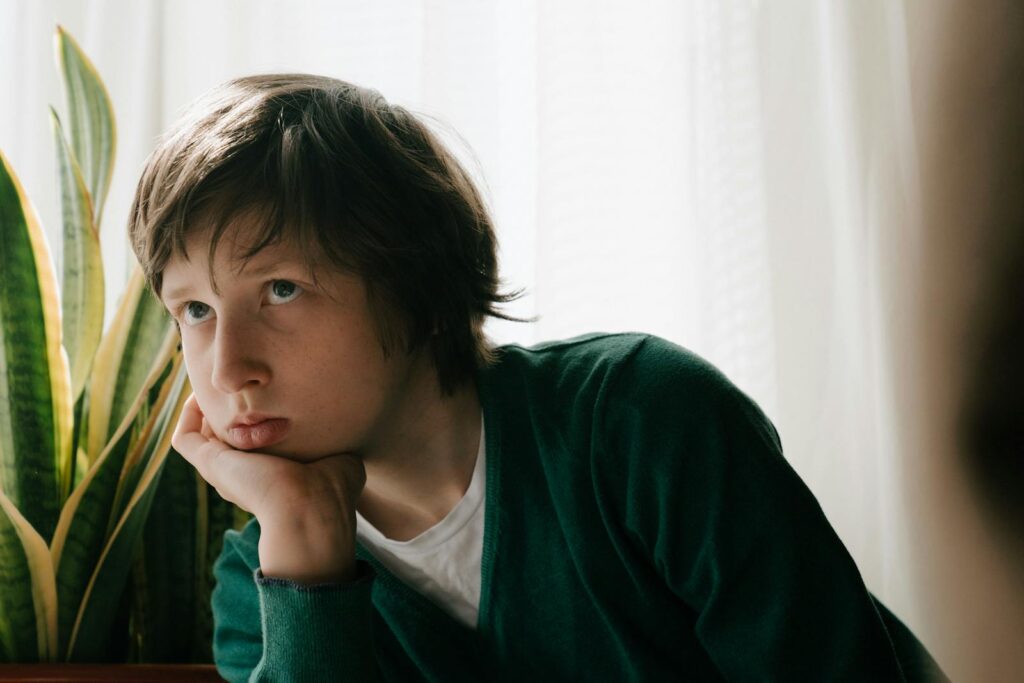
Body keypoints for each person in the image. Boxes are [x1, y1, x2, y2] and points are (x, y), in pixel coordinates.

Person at [127, 74, 945, 681]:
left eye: (280, 289)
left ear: (421, 291)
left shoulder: (641, 422)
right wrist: (306, 554)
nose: (228, 366)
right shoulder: (264, 583)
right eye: (194, 309)